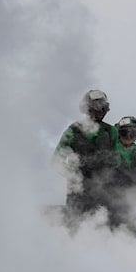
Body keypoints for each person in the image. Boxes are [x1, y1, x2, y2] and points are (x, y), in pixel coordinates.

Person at [52, 89, 118, 228]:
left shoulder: (111, 132)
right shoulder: (74, 131)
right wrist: (73, 174)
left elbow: (119, 161)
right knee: (76, 231)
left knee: (105, 233)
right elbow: (57, 160)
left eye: (103, 108)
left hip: (105, 194)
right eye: (97, 108)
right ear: (87, 109)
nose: (101, 112)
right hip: (79, 194)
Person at [109, 115, 136, 230]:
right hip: (110, 202)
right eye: (125, 133)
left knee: (132, 237)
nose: (128, 137)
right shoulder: (109, 149)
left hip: (133, 205)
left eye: (132, 134)